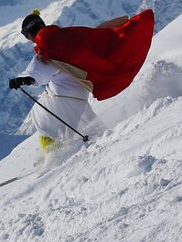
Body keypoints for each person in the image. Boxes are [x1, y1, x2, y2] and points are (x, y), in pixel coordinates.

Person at [10, 9, 155, 154]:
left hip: (63, 96)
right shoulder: (65, 36)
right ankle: (100, 134)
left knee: (41, 115)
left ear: (29, 34)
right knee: (84, 118)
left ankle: (53, 152)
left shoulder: (46, 48)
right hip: (80, 91)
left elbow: (38, 71)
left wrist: (22, 80)